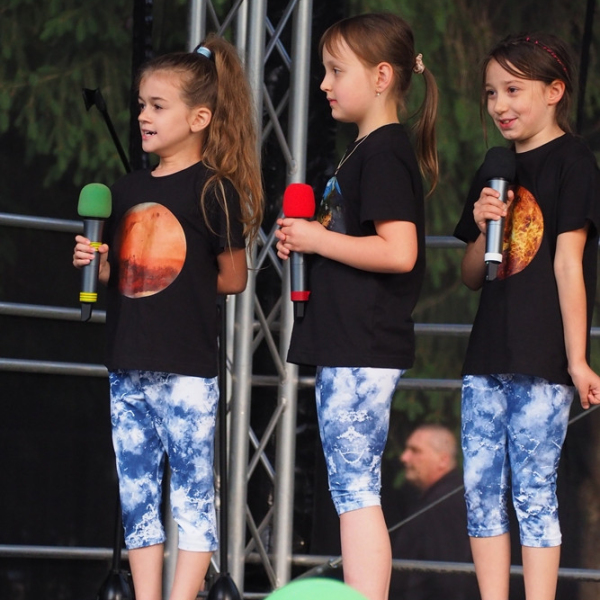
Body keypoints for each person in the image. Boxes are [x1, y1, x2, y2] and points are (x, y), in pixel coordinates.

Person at [73, 35, 263, 600]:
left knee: (192, 494)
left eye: (158, 106)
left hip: (185, 369)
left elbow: (234, 277)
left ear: (199, 118)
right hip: (127, 362)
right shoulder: (127, 189)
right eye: (141, 105)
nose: (143, 116)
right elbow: (124, 275)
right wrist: (99, 264)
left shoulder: (214, 191)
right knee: (136, 494)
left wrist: (181, 281)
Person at [275, 12, 438, 600]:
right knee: (352, 490)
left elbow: (399, 251)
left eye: (336, 71)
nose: (324, 83)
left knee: (356, 491)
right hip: (349, 342)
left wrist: (317, 240)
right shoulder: (367, 151)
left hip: (364, 344)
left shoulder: (386, 154)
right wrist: (310, 237)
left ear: (381, 77)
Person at [454, 32, 600, 600]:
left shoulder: (574, 162)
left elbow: (568, 263)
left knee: (534, 492)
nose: (500, 105)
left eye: (513, 90)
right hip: (486, 352)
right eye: (491, 93)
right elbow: (473, 273)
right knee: (481, 490)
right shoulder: (495, 166)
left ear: (554, 91)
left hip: (541, 356)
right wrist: (481, 223)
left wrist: (578, 360)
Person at [389, 424, 477, 600]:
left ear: (443, 460)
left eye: (415, 451)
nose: (404, 457)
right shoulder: (438, 498)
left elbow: (449, 577)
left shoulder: (446, 503)